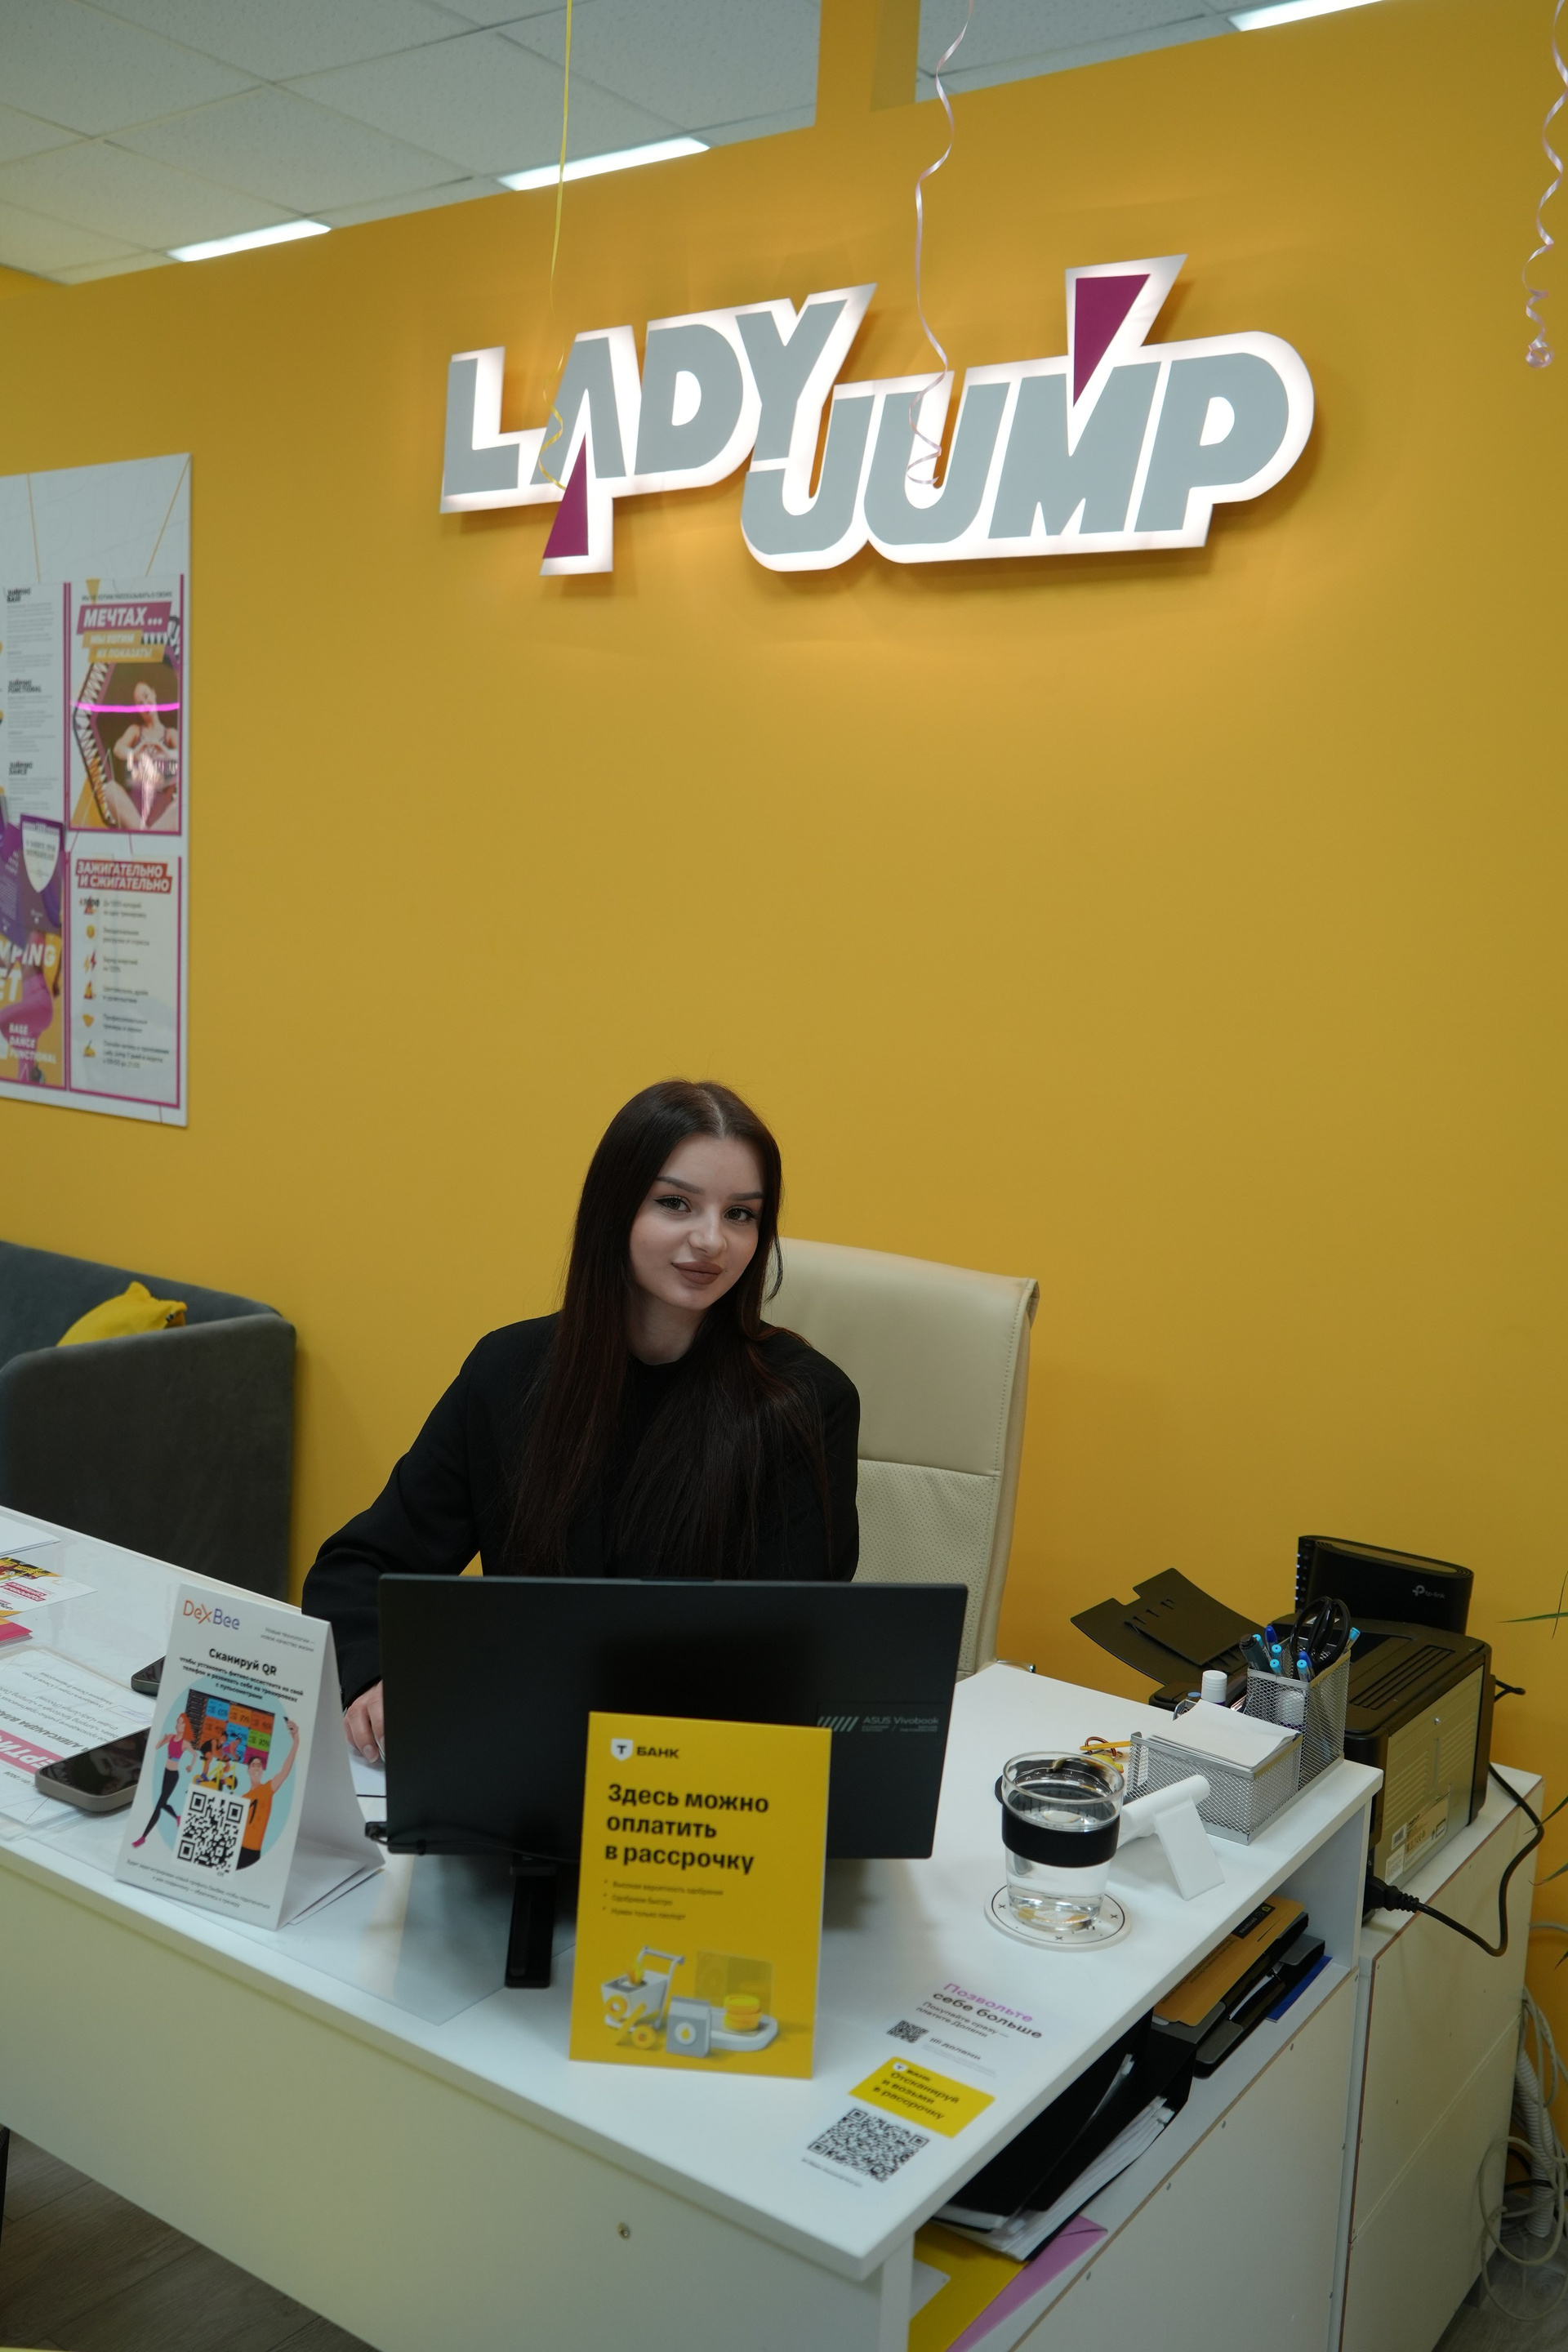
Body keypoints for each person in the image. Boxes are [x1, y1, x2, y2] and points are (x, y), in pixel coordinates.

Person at [304, 1080, 859, 1764]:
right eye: (675, 1203)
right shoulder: (510, 1370)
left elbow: (787, 1650)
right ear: (613, 1208)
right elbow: (360, 1568)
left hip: (695, 1775)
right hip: (519, 1758)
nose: (711, 1240)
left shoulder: (805, 1403)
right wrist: (377, 1675)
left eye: (741, 1214)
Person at [235, 1717, 300, 1870]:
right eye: (253, 1765)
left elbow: (284, 1772)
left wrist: (296, 1741)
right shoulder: (243, 1798)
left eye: (259, 1765)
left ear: (262, 1770)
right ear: (248, 1770)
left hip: (253, 1852)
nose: (256, 1767)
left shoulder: (267, 1789)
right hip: (236, 1847)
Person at [131, 1711, 193, 1847]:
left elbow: (194, 1755)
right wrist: (163, 1739)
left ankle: (143, 1837)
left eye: (182, 1723)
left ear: (186, 1726)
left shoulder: (185, 1743)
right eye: (178, 1722)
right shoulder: (170, 1736)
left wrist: (190, 1766)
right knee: (163, 1803)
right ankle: (177, 1817)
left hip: (174, 1776)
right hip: (166, 1772)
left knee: (159, 1806)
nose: (179, 1725)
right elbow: (157, 1747)